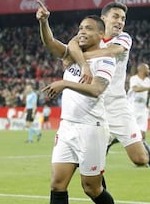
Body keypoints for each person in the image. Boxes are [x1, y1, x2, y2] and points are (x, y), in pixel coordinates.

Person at [36, 0, 150, 170]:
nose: (120, 22)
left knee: (140, 160)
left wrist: (75, 57)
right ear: (103, 19)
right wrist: (44, 23)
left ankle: (145, 149)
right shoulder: (86, 39)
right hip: (91, 107)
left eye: (123, 18)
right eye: (115, 17)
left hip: (116, 105)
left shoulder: (123, 38)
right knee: (86, 165)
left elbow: (108, 52)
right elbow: (61, 43)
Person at [41, 15, 116, 204]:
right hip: (67, 127)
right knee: (57, 184)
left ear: (101, 33)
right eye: (81, 27)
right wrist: (43, 22)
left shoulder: (105, 60)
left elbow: (96, 89)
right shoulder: (72, 55)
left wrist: (65, 83)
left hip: (91, 129)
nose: (82, 31)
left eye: (88, 28)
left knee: (91, 188)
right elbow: (50, 42)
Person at [127, 63, 150, 140]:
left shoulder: (147, 80)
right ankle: (111, 143)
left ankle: (144, 151)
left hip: (143, 109)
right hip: (132, 108)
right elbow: (136, 89)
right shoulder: (134, 78)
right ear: (142, 70)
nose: (149, 71)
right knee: (129, 133)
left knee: (142, 133)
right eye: (148, 69)